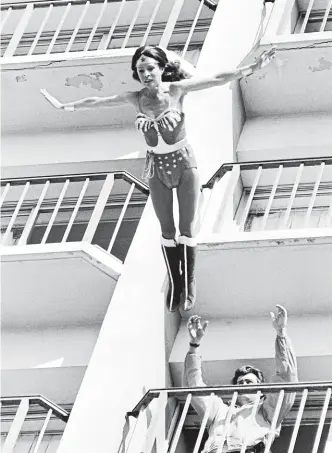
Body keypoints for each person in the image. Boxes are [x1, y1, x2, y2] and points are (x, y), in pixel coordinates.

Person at [40, 46, 275, 313]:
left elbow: (216, 78)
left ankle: (189, 284)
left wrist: (251, 69)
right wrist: (63, 106)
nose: (146, 74)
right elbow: (98, 101)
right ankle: (175, 284)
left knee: (187, 228)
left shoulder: (176, 90)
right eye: (141, 70)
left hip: (184, 163)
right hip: (156, 169)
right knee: (166, 230)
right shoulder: (135, 98)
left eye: (150, 68)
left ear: (162, 68)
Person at [183, 305, 297, 452]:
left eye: (248, 382)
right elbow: (194, 386)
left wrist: (281, 333)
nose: (243, 385)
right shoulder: (219, 410)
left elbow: (286, 378)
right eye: (240, 383)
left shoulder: (267, 411)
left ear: (260, 390)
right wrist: (194, 346)